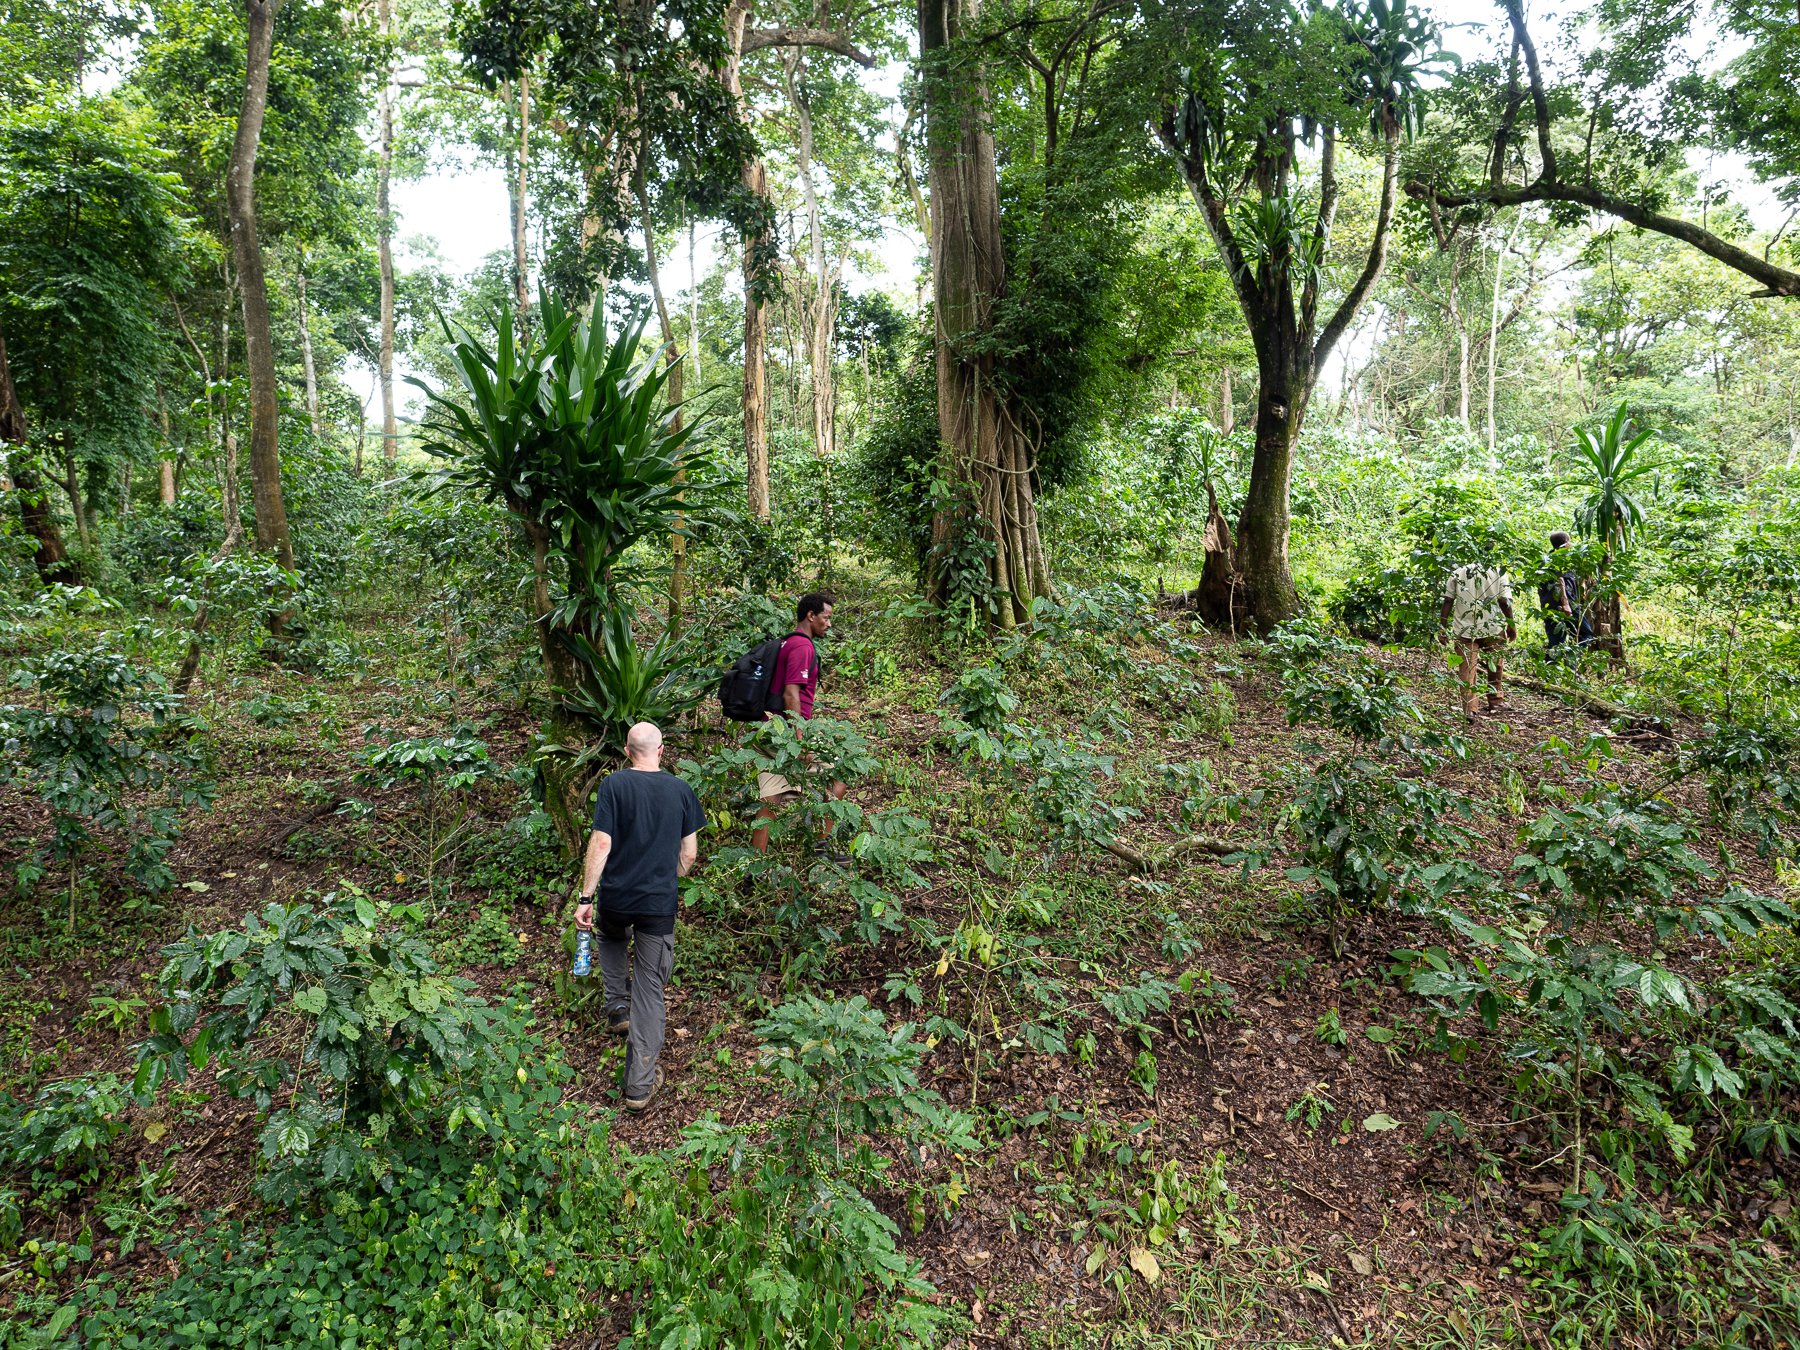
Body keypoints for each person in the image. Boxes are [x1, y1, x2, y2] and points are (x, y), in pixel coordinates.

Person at [574, 721, 703, 1113]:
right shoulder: (681, 790)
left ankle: (616, 1007)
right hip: (656, 905)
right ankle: (638, 1086)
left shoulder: (613, 786)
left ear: (627, 751)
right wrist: (669, 876)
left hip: (616, 897)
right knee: (649, 988)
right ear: (661, 750)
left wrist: (585, 897)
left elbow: (601, 841)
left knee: (609, 935)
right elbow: (690, 854)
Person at [751, 592, 846, 854]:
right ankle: (821, 844)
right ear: (811, 616)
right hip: (785, 732)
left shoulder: (785, 642)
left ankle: (753, 864)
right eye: (826, 618)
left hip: (767, 728)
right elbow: (791, 693)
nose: (829, 623)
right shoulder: (803, 647)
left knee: (770, 798)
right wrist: (799, 740)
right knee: (839, 777)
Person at [1439, 558, 1517, 719]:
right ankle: (1495, 700)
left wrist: (1442, 627)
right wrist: (1511, 624)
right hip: (1492, 628)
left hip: (1464, 628)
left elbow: (1448, 600)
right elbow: (1504, 600)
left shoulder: (1458, 572)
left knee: (1466, 668)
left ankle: (1469, 708)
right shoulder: (1498, 572)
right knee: (1495, 665)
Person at [1537, 530, 1593, 655]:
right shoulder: (1562, 558)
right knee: (1586, 633)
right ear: (1566, 543)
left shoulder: (1546, 560)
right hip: (1567, 605)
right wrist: (1566, 603)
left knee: (1555, 642)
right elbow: (1560, 580)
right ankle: (1572, 657)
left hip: (1549, 607)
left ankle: (1553, 668)